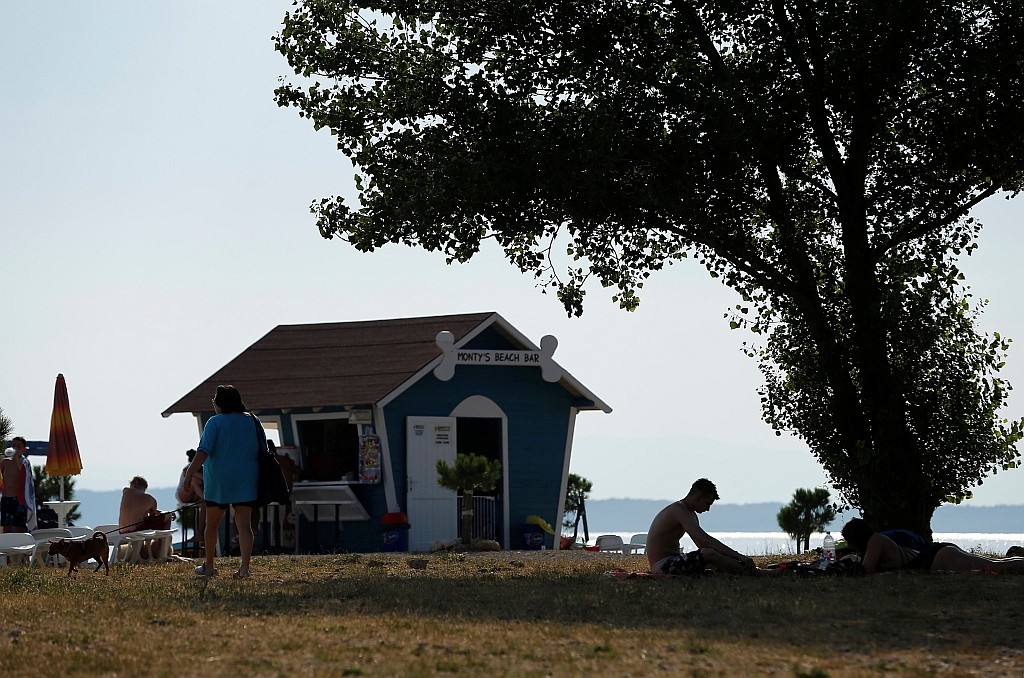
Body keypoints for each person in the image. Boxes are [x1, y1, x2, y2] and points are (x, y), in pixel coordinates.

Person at [183, 385, 259, 579]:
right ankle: (244, 569)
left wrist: (190, 473)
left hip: (219, 480)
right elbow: (261, 449)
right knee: (244, 525)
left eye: (214, 399)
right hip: (246, 478)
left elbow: (203, 450)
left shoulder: (215, 422)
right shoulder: (252, 420)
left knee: (212, 525)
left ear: (220, 403)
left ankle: (209, 566)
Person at [646, 478, 757, 575]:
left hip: (674, 561)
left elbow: (701, 544)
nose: (708, 509)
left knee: (713, 561)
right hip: (663, 567)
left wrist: (731, 559)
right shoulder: (679, 510)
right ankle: (755, 572)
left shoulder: (690, 514)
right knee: (709, 554)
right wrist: (739, 556)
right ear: (698, 498)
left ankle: (749, 570)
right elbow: (705, 542)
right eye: (708, 503)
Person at [841, 518, 1024, 574]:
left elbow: (866, 570)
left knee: (996, 566)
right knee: (995, 563)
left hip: (939, 558)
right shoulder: (876, 541)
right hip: (940, 555)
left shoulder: (875, 540)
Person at [118, 475, 173, 561]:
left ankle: (146, 551)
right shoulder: (150, 499)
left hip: (122, 531)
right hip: (137, 530)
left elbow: (136, 507)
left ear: (134, 484)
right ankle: (163, 551)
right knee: (168, 516)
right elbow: (153, 515)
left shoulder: (125, 493)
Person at [1, 442, 28, 533]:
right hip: (6, 497)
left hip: (18, 498)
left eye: (18, 446)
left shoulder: (24, 462)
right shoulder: (5, 462)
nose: (15, 448)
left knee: (20, 525)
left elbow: (23, 473)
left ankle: (22, 541)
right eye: (14, 446)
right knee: (6, 525)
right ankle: (7, 541)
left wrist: (16, 459)